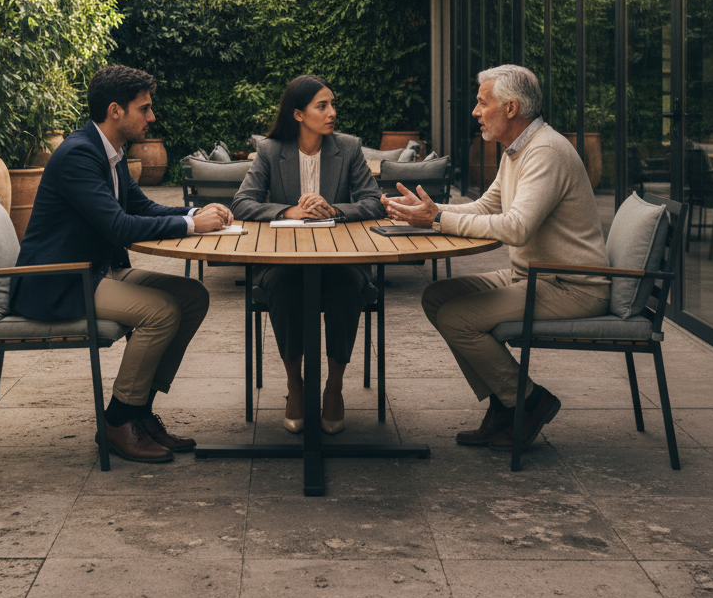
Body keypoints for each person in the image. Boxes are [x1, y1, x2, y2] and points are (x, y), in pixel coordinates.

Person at [10, 65, 233, 464]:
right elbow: (119, 226)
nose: (151, 117)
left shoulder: (110, 152)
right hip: (60, 281)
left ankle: (140, 413)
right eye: (144, 109)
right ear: (115, 111)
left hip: (96, 270)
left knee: (192, 295)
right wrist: (190, 224)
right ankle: (116, 421)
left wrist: (197, 212)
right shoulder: (79, 154)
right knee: (161, 312)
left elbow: (141, 207)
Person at [383, 64, 610, 450]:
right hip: (534, 276)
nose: (475, 111)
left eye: (481, 102)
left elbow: (516, 227)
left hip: (571, 285)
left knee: (457, 317)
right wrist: (428, 210)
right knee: (437, 297)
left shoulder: (546, 152)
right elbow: (488, 207)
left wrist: (437, 219)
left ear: (511, 108)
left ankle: (529, 401)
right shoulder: (516, 149)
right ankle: (504, 404)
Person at [232, 74, 385, 435]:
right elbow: (241, 202)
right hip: (284, 260)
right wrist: (288, 211)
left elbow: (375, 202)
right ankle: (295, 386)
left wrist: (333, 210)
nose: (332, 112)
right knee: (284, 286)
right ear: (298, 114)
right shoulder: (271, 150)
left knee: (346, 286)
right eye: (322, 106)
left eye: (332, 104)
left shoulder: (348, 148)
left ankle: (334, 386)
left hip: (343, 259)